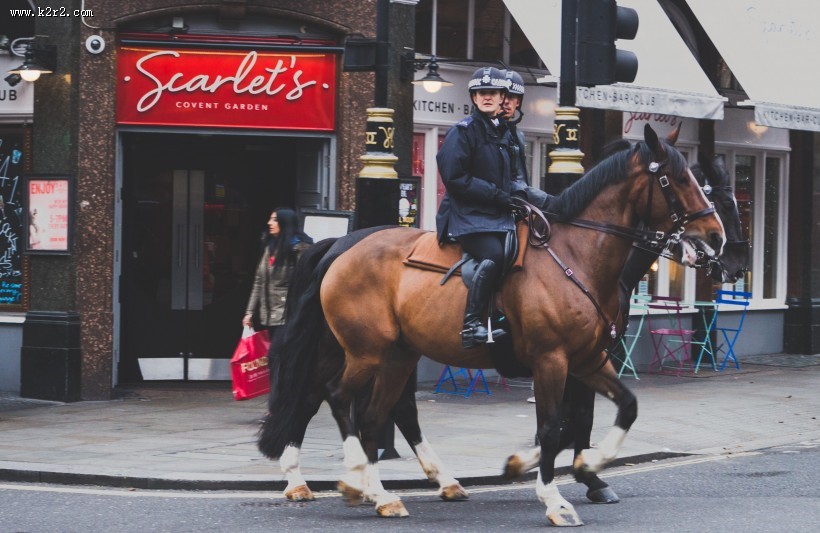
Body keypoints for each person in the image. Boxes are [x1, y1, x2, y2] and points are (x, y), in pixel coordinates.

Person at [436, 66, 527, 349]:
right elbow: (455, 178)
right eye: (481, 93)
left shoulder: (503, 133)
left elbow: (510, 180)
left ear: (502, 98)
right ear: (474, 98)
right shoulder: (462, 132)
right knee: (494, 255)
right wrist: (498, 196)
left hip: (497, 216)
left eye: (493, 92)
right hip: (468, 217)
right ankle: (471, 325)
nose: (487, 97)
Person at [243, 207, 313, 389]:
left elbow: (306, 282)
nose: (269, 223)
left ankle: (278, 398)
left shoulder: (299, 249)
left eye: (274, 220)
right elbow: (259, 281)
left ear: (285, 223)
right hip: (270, 314)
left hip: (288, 314)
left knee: (275, 355)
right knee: (278, 357)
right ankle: (282, 396)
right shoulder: (270, 247)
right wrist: (250, 312)